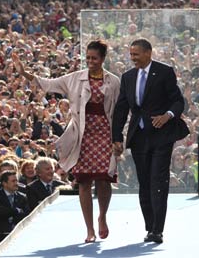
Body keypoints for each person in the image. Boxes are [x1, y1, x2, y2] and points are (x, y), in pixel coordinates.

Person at [14, 40, 121, 243]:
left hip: (106, 134)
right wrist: (24, 72)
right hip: (82, 136)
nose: (90, 62)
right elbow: (48, 83)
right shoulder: (74, 78)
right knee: (83, 181)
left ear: (103, 59)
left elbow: (120, 111)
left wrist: (118, 138)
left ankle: (102, 217)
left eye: (94, 58)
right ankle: (89, 229)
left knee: (104, 179)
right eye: (88, 58)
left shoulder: (114, 81)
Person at [112, 38, 189, 244]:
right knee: (144, 182)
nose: (132, 58)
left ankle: (158, 229)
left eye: (136, 54)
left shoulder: (164, 72)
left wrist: (168, 115)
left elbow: (178, 100)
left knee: (158, 180)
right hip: (138, 137)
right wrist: (116, 137)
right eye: (131, 54)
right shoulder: (127, 77)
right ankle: (150, 226)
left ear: (148, 53)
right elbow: (121, 109)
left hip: (162, 135)